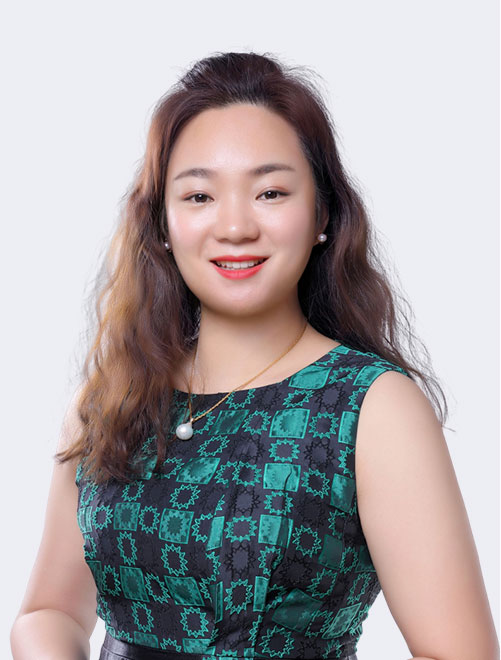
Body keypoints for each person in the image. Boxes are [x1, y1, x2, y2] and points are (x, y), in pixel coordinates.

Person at [10, 51, 498, 660]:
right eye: (199, 196)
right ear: (162, 224)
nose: (235, 227)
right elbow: (49, 611)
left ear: (321, 213)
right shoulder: (113, 396)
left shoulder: (372, 407)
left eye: (270, 192)